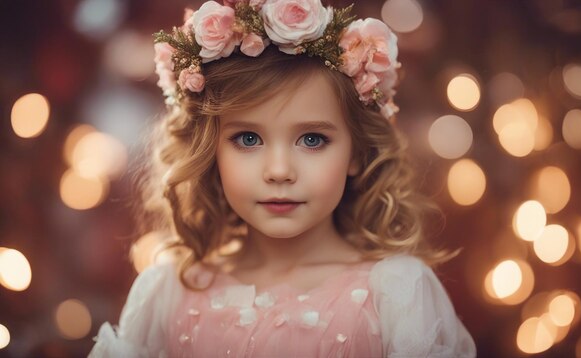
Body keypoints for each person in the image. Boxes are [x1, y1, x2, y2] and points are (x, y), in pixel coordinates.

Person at [89, 0, 477, 356]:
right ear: (211, 152)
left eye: (312, 139)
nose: (278, 171)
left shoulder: (394, 295)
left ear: (356, 153)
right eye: (248, 138)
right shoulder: (169, 294)